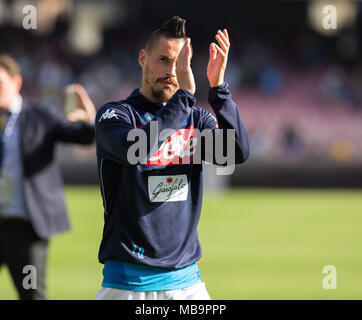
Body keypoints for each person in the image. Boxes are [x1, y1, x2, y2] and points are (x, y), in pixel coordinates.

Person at [94, 16, 250, 300]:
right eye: (164, 60)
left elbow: (236, 151)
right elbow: (138, 150)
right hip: (128, 284)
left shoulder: (194, 118)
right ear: (143, 58)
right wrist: (185, 98)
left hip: (187, 283)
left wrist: (218, 90)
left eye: (179, 63)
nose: (172, 71)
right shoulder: (115, 115)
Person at [0, 54, 96, 300]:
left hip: (27, 226)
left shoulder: (40, 116)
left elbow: (82, 137)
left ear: (16, 82)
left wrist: (87, 122)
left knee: (31, 294)